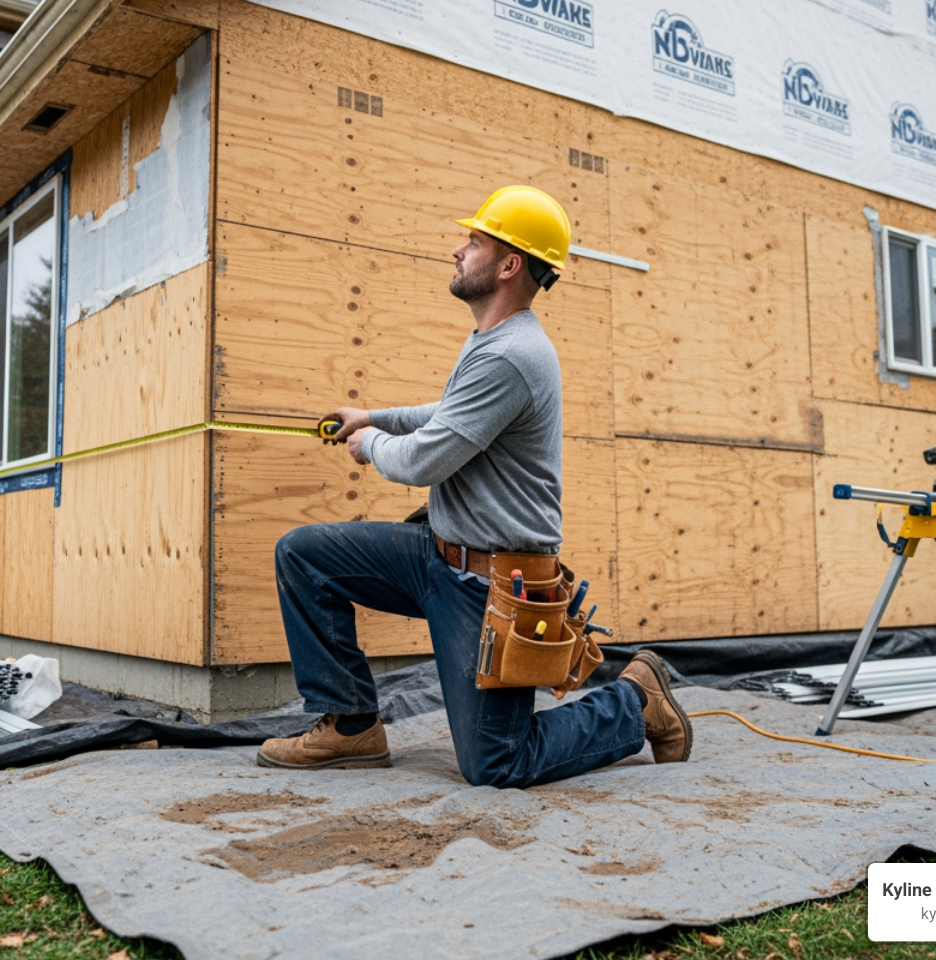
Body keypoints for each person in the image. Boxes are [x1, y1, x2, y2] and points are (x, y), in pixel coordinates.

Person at [257, 186, 691, 787]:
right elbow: (452, 414)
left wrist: (371, 446)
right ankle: (351, 724)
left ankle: (636, 701)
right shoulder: (491, 342)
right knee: (304, 556)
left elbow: (425, 460)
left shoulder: (512, 355)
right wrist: (376, 417)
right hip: (437, 554)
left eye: (475, 242)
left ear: (509, 265)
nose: (457, 251)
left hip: (491, 585)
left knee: (497, 763)